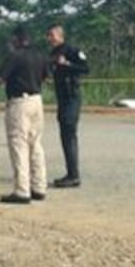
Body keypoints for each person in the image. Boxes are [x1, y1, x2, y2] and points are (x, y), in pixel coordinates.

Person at [0, 25, 48, 204]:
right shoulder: (40, 55)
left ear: (16, 39)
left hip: (19, 102)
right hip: (37, 100)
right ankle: (39, 186)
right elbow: (47, 77)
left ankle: (22, 190)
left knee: (19, 145)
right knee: (35, 144)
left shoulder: (15, 56)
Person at [45, 24, 89, 188]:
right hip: (62, 98)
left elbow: (86, 68)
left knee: (69, 133)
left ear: (60, 35)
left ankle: (74, 175)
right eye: (48, 35)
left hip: (72, 96)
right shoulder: (53, 53)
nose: (49, 38)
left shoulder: (72, 50)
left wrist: (67, 64)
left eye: (51, 35)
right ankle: (70, 172)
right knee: (64, 134)